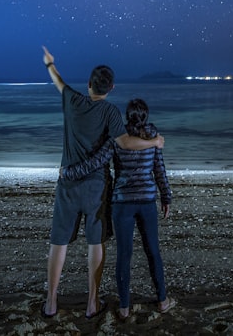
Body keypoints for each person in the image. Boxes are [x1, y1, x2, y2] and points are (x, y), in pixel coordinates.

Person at [41, 46, 164, 320]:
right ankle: (92, 303)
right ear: (111, 88)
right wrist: (153, 142)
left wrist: (50, 64)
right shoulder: (110, 112)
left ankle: (51, 302)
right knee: (95, 243)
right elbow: (125, 143)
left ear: (88, 85)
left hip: (68, 185)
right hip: (96, 188)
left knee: (59, 242)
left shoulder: (72, 100)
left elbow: (58, 82)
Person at [61, 97, 175, 319]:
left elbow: (95, 162)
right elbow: (159, 169)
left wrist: (68, 172)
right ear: (146, 116)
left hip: (122, 203)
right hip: (146, 202)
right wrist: (166, 197)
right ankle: (162, 300)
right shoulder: (153, 138)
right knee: (153, 252)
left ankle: (124, 307)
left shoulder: (118, 139)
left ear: (127, 116)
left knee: (124, 255)